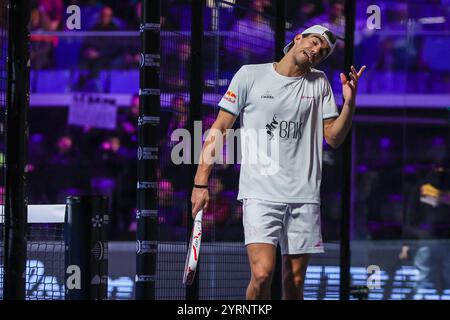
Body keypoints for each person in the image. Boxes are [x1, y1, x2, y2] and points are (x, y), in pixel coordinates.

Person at [190, 25, 366, 300]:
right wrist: (201, 183)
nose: (317, 50)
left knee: (294, 280)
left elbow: (333, 137)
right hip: (260, 194)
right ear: (298, 39)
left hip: (304, 196)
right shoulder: (250, 75)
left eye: (323, 51)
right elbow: (219, 129)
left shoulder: (319, 83)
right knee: (262, 276)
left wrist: (350, 104)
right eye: (315, 41)